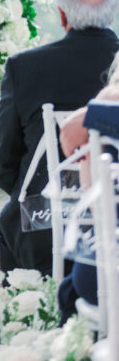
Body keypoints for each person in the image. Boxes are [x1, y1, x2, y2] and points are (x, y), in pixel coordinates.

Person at [0, 0, 119, 278]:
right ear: (113, 10)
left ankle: (26, 317)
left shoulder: (25, 69)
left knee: (12, 219)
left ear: (61, 13)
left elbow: (3, 164)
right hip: (115, 226)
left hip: (44, 232)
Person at [57, 60, 119, 322]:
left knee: (73, 289)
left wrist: (93, 114)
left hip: (106, 271)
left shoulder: (108, 102)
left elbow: (96, 201)